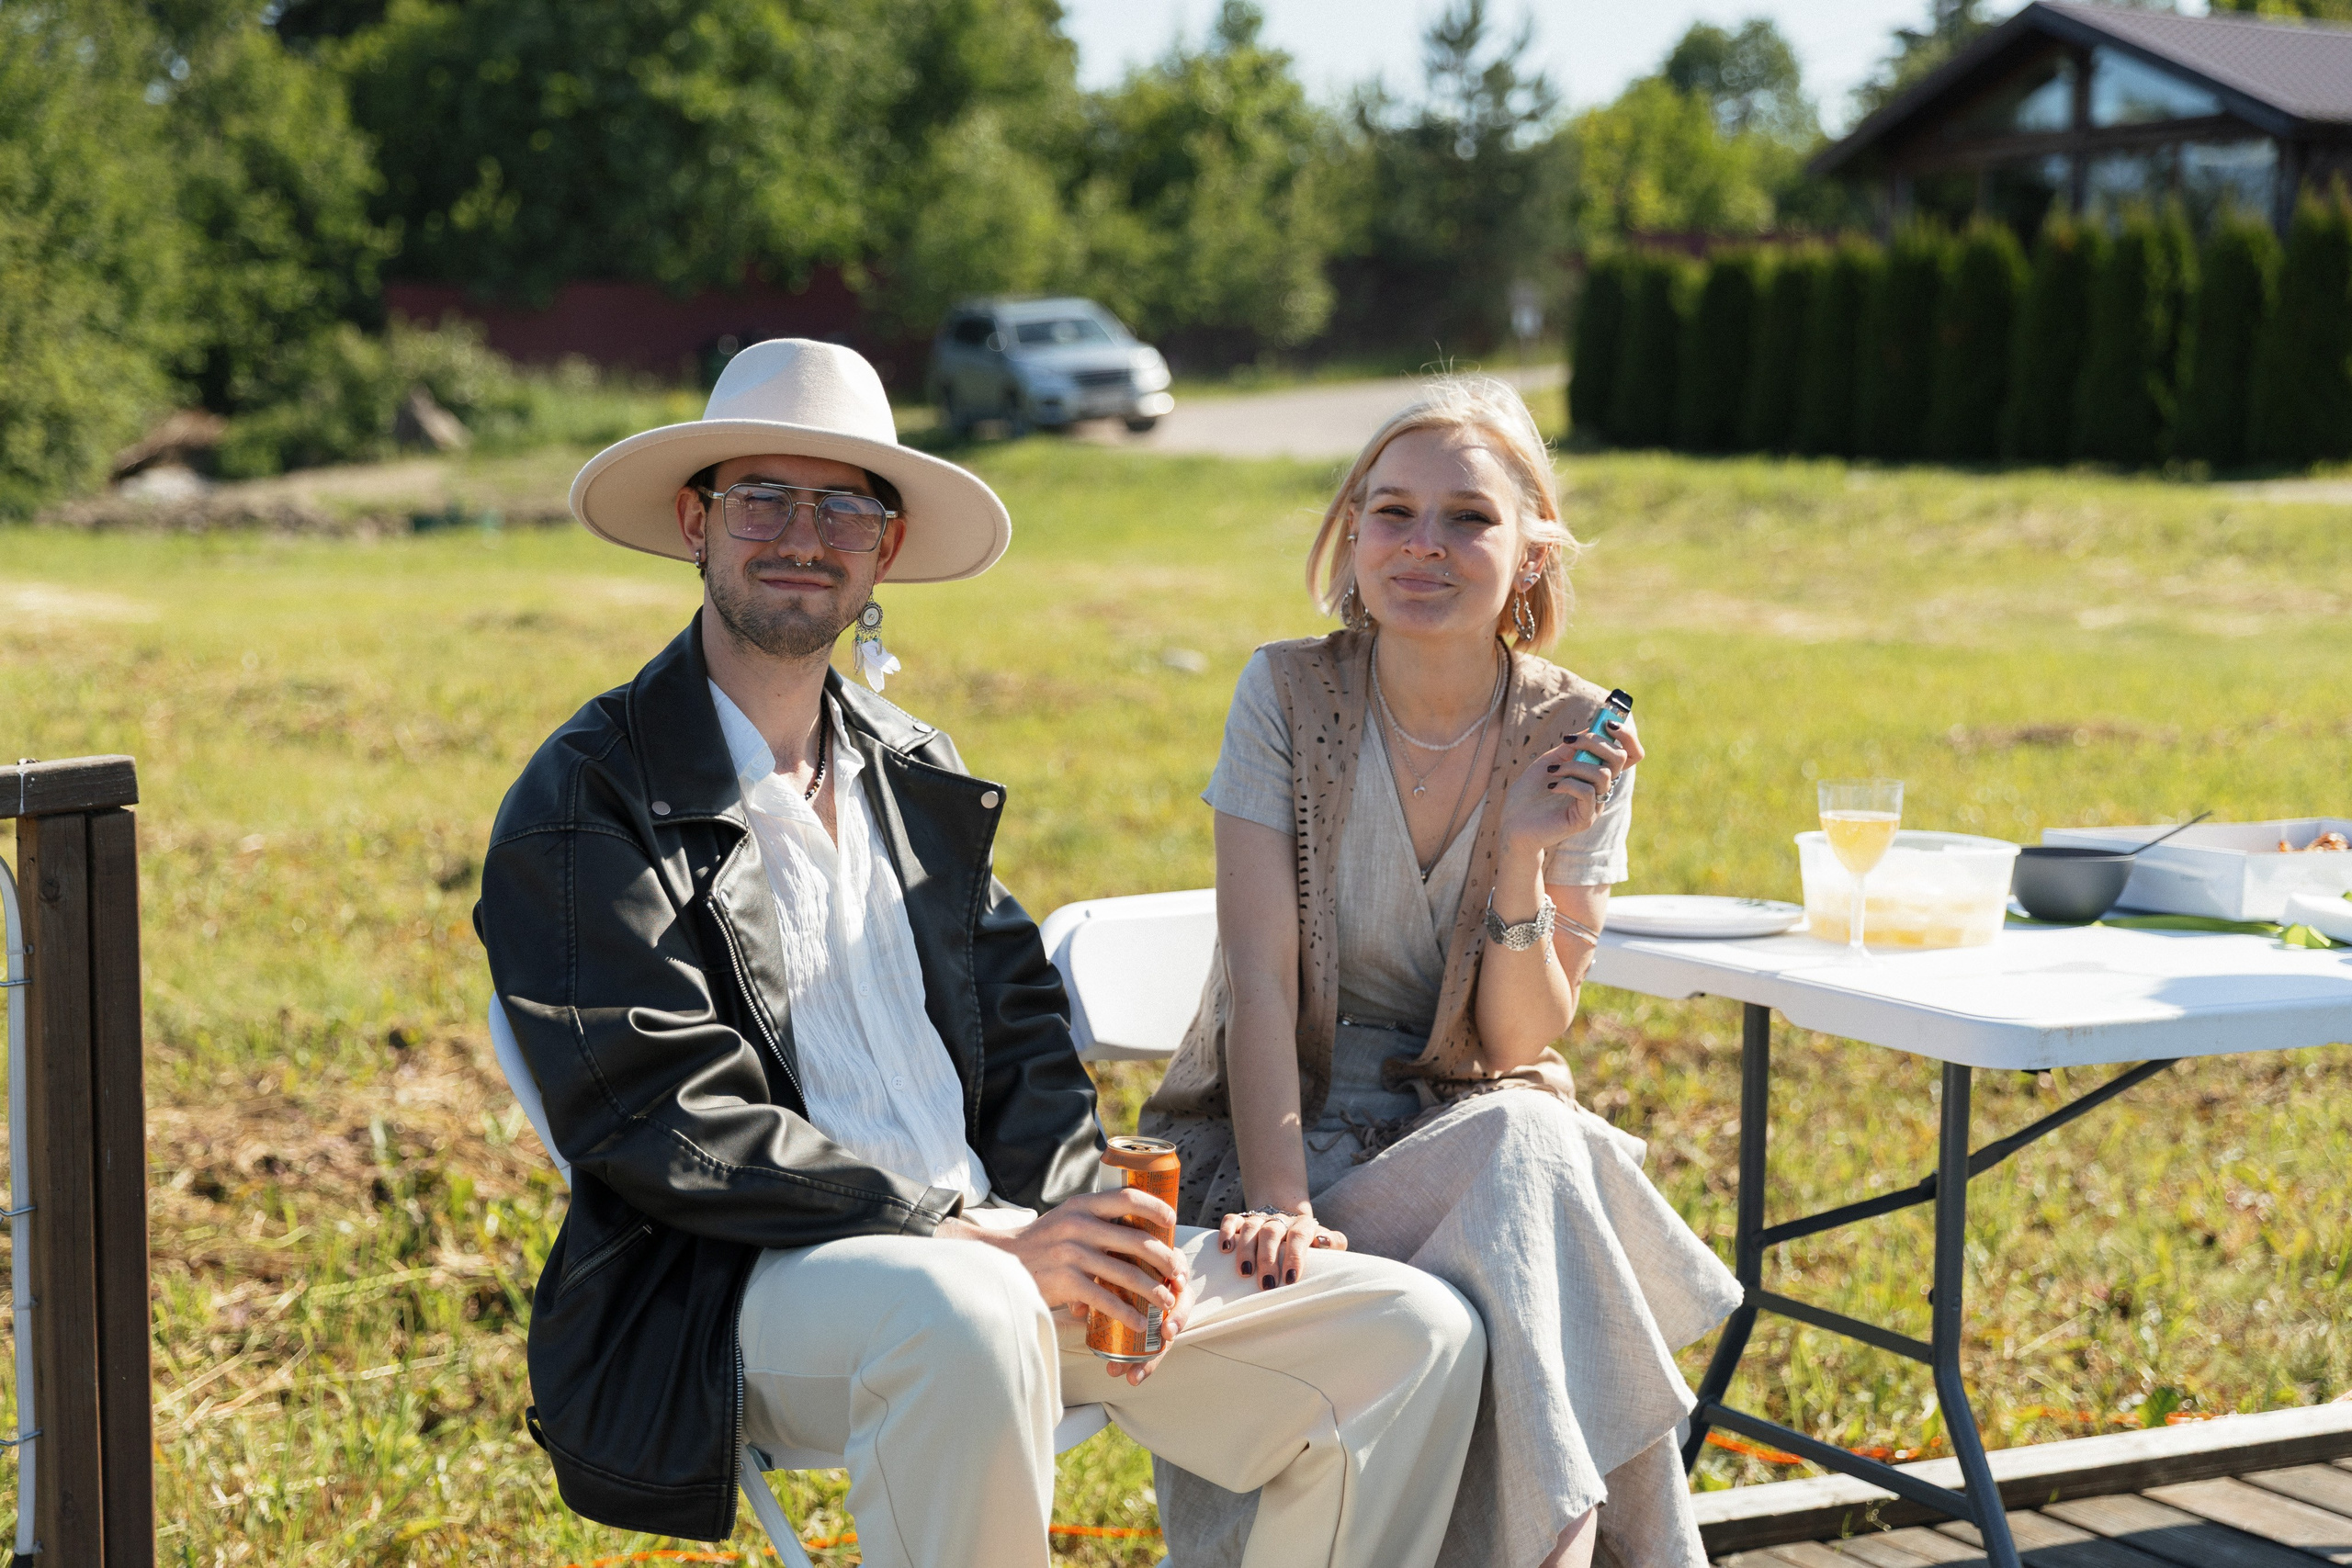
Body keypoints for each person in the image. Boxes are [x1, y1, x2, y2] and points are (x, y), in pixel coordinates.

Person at [475, 338, 1487, 1568]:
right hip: (743, 1287)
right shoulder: (588, 795)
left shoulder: (916, 771)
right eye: (764, 498)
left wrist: (1078, 1221)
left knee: (1411, 1332)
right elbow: (657, 1119)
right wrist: (964, 1234)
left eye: (846, 505)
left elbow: (1023, 1040)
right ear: (697, 521)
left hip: (999, 1251)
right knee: (965, 1313)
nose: (804, 533)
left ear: (885, 549)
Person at [1140, 376, 1744, 1568]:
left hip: (1460, 1135)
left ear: (1530, 552)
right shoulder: (1287, 695)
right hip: (1278, 1150)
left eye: (1468, 518)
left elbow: (1517, 1044)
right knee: (1543, 1180)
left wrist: (1525, 853)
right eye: (1392, 513)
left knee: (1528, 1147)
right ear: (1351, 533)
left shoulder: (1577, 735)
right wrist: (1282, 1203)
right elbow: (1256, 976)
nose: (1424, 547)